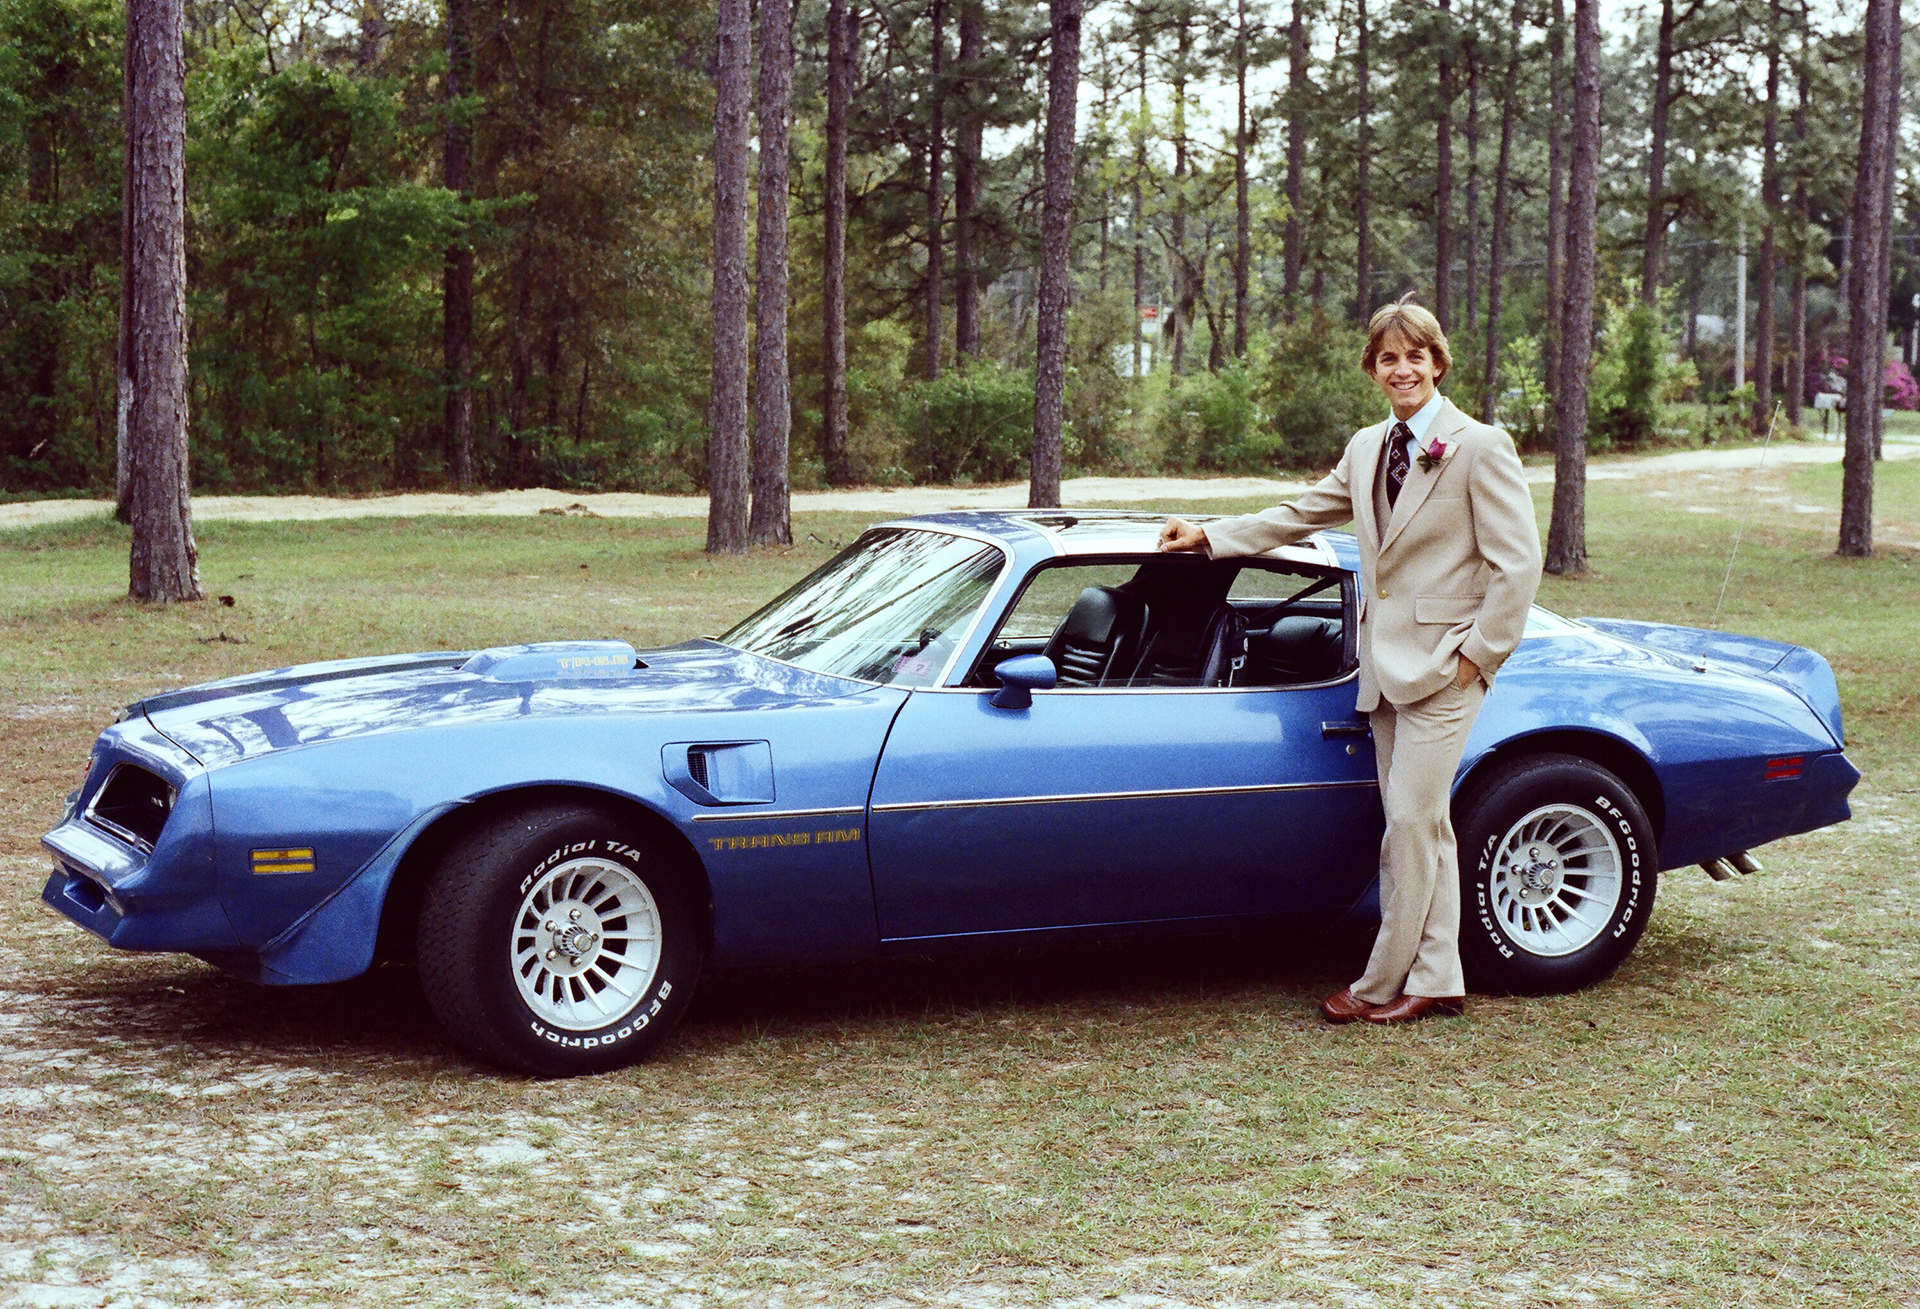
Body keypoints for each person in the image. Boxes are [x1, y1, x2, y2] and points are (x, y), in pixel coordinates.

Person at [1158, 298, 1542, 1025]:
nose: (1402, 369)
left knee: (1406, 820)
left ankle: (1379, 984)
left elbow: (1517, 568)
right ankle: (1439, 974)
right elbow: (1300, 512)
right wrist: (1211, 533)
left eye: (1415, 356)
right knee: (1428, 826)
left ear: (1437, 362)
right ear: (1374, 369)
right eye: (1388, 358)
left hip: (1447, 666)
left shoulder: (1481, 445)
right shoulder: (1368, 446)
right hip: (1385, 665)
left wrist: (1475, 658)